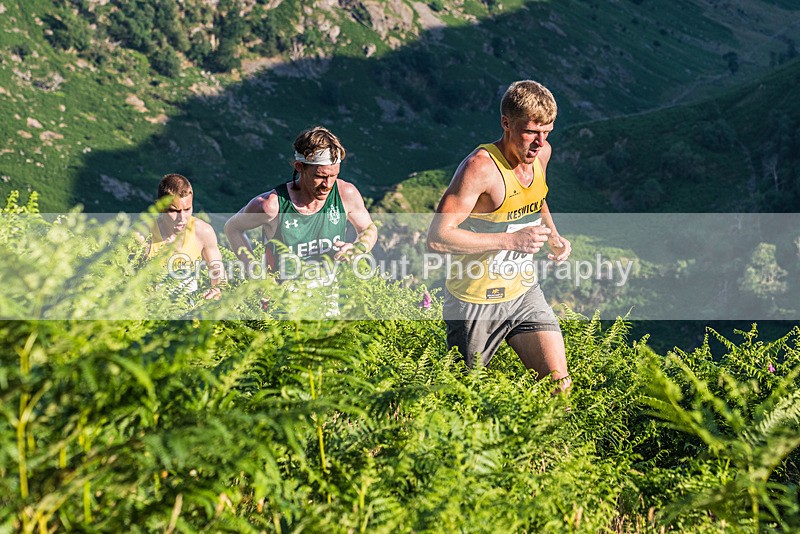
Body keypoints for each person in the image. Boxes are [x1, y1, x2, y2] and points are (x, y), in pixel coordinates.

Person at [427, 80, 572, 391]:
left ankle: (554, 442)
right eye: (532, 132)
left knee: (559, 385)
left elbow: (537, 197)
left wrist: (553, 236)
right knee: (463, 397)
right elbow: (438, 237)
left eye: (547, 132)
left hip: (523, 293)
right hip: (474, 301)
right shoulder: (480, 168)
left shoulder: (542, 154)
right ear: (506, 123)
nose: (540, 142)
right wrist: (510, 241)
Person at [224, 125, 376, 292]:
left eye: (334, 175)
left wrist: (358, 247)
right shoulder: (271, 205)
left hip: (328, 299)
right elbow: (233, 228)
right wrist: (257, 275)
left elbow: (368, 228)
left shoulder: (346, 194)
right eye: (320, 176)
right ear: (299, 167)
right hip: (280, 304)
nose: (328, 184)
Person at [142, 173, 225, 300]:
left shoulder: (203, 232)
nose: (181, 218)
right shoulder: (141, 236)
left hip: (190, 314)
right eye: (174, 211)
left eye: (187, 209)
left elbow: (219, 279)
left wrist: (215, 291)